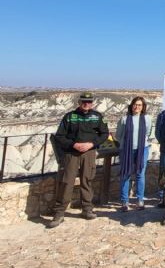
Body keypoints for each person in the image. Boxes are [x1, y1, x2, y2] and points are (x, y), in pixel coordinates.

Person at [48, 92, 109, 228]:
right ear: (79, 102)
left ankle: (87, 209)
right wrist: (73, 144)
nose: (86, 104)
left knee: (87, 180)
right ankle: (59, 213)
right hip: (71, 153)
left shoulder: (97, 116)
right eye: (84, 101)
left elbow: (104, 134)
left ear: (92, 103)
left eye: (89, 102)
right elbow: (60, 136)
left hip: (89, 152)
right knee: (66, 182)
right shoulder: (70, 117)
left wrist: (92, 144)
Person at [115, 96, 152, 212]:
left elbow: (148, 132)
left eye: (140, 105)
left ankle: (140, 200)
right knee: (126, 174)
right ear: (131, 106)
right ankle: (124, 201)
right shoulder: (124, 119)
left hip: (142, 149)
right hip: (127, 150)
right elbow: (118, 135)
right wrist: (126, 145)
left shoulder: (147, 118)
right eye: (135, 104)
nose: (137, 107)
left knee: (140, 174)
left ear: (143, 107)